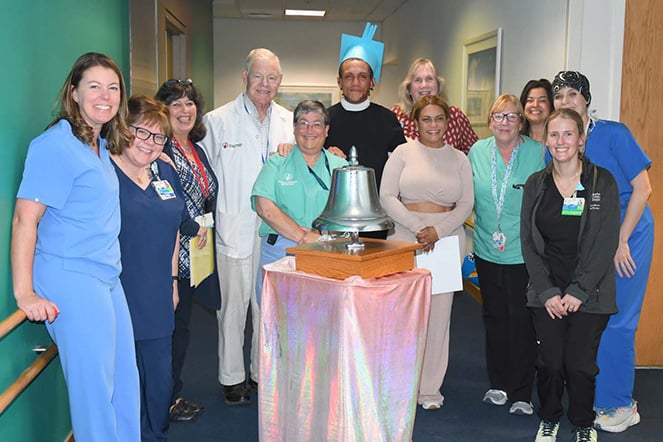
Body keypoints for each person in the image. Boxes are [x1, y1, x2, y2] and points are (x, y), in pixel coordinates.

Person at [10, 52, 140, 441]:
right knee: (95, 398)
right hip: (72, 277)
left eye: (113, 88)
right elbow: (24, 220)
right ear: (74, 92)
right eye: (94, 87)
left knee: (125, 386)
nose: (105, 96)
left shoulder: (98, 145)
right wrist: (24, 291)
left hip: (106, 277)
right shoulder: (54, 145)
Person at [551, 70, 654, 433]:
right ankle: (596, 394)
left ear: (587, 99)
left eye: (572, 95)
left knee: (618, 320)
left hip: (628, 237)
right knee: (590, 318)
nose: (566, 102)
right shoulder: (565, 141)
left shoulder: (613, 133)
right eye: (559, 96)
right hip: (593, 240)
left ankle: (619, 404)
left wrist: (621, 240)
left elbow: (643, 189)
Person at [200, 48, 294, 405]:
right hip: (234, 226)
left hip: (276, 231)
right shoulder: (217, 121)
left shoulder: (289, 121)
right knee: (233, 307)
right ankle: (232, 377)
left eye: (272, 78)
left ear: (280, 82)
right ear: (245, 76)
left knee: (268, 307)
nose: (265, 84)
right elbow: (202, 175)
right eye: (259, 76)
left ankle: (260, 373)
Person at [521, 108, 620, 442]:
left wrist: (578, 290)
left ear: (581, 139)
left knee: (579, 366)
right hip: (546, 291)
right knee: (549, 363)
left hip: (590, 293)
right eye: (553, 134)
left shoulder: (601, 182)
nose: (560, 141)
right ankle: (548, 417)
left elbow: (606, 242)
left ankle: (583, 422)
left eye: (567, 134)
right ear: (545, 140)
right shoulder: (536, 184)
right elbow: (528, 243)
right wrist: (548, 291)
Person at [380, 95, 474, 410]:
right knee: (403, 314)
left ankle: (429, 389)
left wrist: (438, 230)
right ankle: (399, 383)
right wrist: (418, 226)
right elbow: (387, 196)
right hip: (406, 237)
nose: (433, 125)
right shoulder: (402, 153)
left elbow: (466, 204)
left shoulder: (459, 158)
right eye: (426, 119)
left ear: (447, 122)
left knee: (438, 317)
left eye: (438, 119)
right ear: (416, 123)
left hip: (446, 240)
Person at [111, 95, 186, 441]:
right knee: (125, 384)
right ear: (123, 128)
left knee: (160, 383)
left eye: (158, 137)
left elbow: (172, 229)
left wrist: (172, 282)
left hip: (157, 293)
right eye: (142, 132)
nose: (150, 143)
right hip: (117, 294)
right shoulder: (103, 172)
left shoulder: (164, 170)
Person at [467, 93, 545, 416]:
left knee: (522, 321)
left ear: (521, 122)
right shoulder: (476, 152)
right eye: (499, 116)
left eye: (512, 116)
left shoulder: (537, 152)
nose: (505, 122)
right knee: (494, 318)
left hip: (522, 252)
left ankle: (522, 392)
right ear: (490, 121)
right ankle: (498, 384)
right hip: (486, 249)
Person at [155, 79, 220, 422]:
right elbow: (167, 203)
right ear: (163, 110)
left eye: (190, 103)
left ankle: (172, 394)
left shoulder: (196, 147)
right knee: (171, 331)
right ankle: (162, 401)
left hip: (195, 252)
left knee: (183, 331)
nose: (185, 110)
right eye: (176, 104)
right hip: (171, 254)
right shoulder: (159, 150)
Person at [251, 100, 348, 301]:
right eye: (303, 123)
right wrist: (303, 237)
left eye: (316, 124)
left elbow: (349, 212)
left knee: (323, 320)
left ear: (326, 130)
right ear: (294, 128)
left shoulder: (340, 166)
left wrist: (319, 238)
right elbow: (264, 207)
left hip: (326, 251)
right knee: (278, 321)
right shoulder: (278, 161)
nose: (309, 130)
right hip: (281, 251)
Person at [325, 22, 406, 188]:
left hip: (379, 205)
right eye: (349, 77)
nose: (355, 83)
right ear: (339, 81)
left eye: (362, 76)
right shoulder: (325, 118)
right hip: (334, 202)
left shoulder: (387, 119)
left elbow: (402, 164)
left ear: (372, 81)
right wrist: (325, 155)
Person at [391, 58, 478, 154]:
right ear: (409, 89)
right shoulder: (396, 116)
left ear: (438, 85)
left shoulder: (455, 116)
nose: (424, 85)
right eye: (418, 80)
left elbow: (475, 153)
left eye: (429, 79)